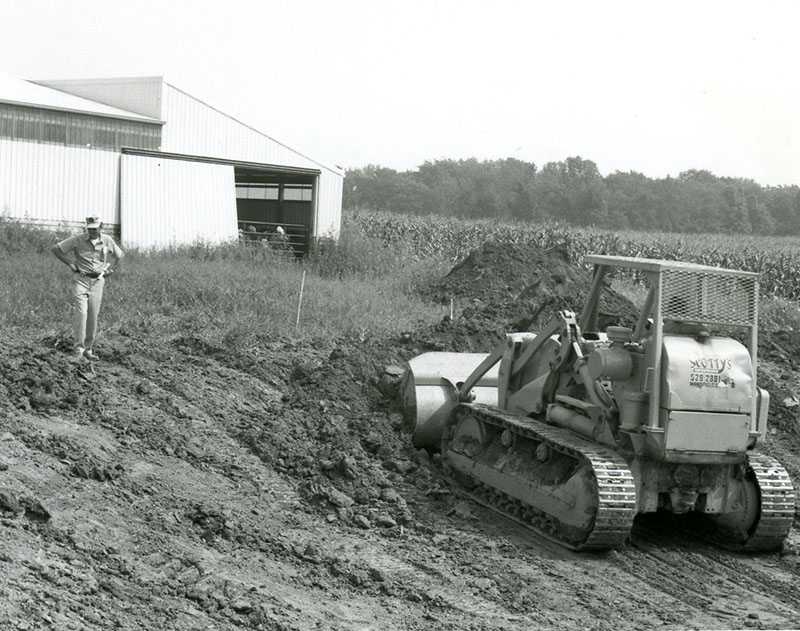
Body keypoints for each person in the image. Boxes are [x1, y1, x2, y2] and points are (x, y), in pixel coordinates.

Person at [51, 216, 124, 361]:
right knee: (82, 313)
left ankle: (88, 350)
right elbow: (56, 249)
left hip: (97, 281)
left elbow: (120, 255)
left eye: (94, 228)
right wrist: (70, 264)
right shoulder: (78, 240)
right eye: (89, 228)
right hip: (81, 280)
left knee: (92, 315)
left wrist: (111, 270)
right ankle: (78, 349)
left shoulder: (107, 240)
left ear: (100, 227)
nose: (91, 231)